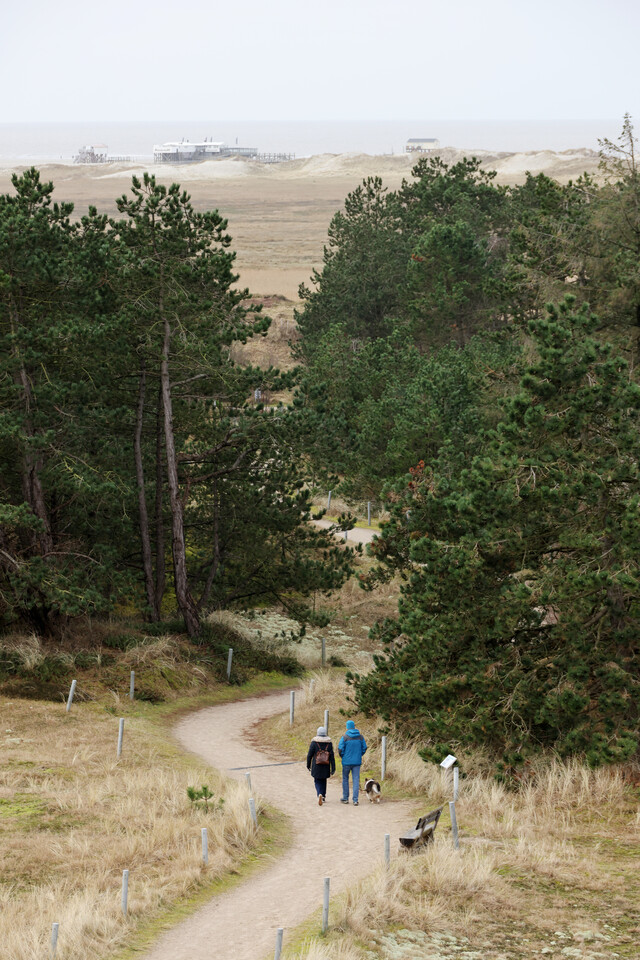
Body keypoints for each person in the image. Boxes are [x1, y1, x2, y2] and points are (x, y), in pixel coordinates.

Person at [338, 719, 367, 805]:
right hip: (357, 762)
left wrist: (343, 756)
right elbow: (364, 748)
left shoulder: (344, 737)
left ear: (347, 727)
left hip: (346, 762)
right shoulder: (360, 737)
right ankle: (355, 800)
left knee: (345, 779)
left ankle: (345, 798)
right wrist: (359, 755)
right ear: (354, 726)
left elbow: (340, 749)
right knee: (356, 780)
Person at [306, 726, 335, 805]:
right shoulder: (329, 743)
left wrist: (308, 765)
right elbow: (332, 756)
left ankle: (319, 793)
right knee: (324, 780)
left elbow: (309, 755)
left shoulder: (314, 742)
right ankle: (323, 796)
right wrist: (333, 768)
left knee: (317, 780)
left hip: (316, 765)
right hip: (326, 765)